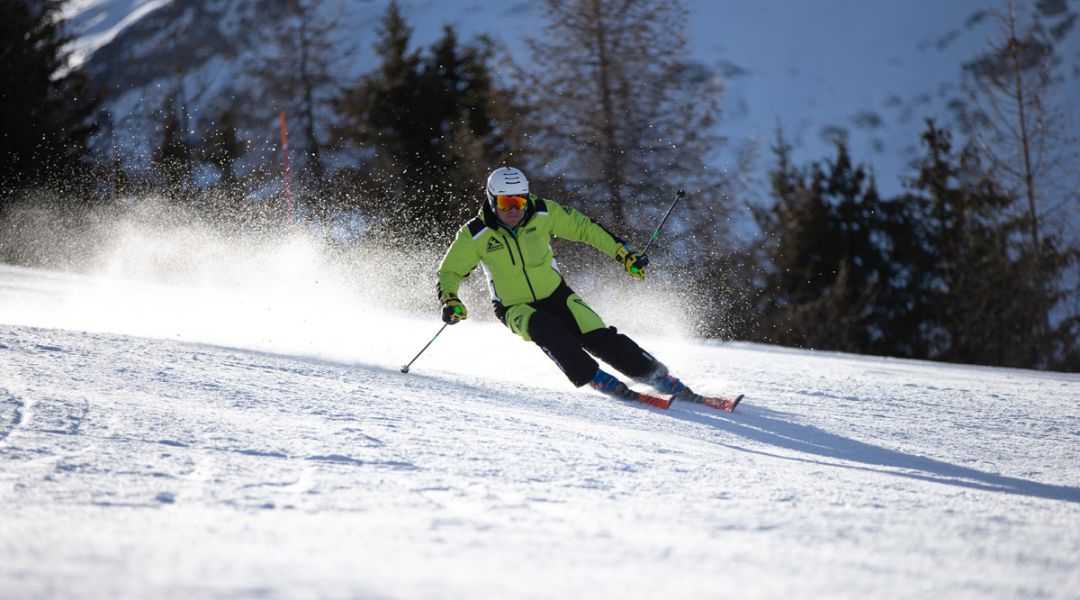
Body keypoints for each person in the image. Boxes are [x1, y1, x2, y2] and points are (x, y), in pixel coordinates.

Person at [435, 166, 705, 405]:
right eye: (507, 203)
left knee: (598, 335)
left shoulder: (543, 212)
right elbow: (450, 271)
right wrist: (450, 299)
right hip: (514, 306)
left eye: (520, 201)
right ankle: (596, 378)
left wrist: (623, 254)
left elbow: (585, 228)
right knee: (547, 328)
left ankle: (659, 377)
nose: (515, 209)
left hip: (556, 294)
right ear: (492, 200)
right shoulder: (475, 234)